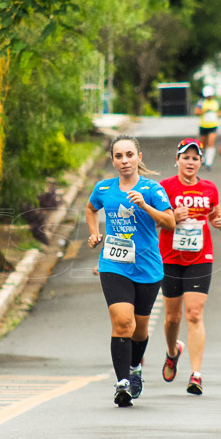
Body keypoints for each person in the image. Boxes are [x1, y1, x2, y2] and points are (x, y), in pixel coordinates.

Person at [86, 135, 175, 407]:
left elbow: (170, 222)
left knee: (139, 330)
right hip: (114, 263)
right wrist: (94, 233)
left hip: (147, 267)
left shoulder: (152, 190)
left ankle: (135, 368)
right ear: (112, 160)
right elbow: (91, 209)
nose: (124, 161)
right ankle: (122, 382)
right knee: (122, 322)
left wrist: (145, 205)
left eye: (129, 155)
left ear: (139, 157)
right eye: (118, 156)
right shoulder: (103, 189)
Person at [158, 139, 221, 396]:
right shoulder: (164, 187)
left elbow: (214, 215)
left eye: (195, 158)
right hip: (170, 257)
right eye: (185, 158)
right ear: (177, 160)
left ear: (201, 162)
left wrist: (220, 221)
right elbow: (151, 221)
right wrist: (172, 218)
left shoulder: (209, 188)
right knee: (172, 318)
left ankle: (196, 374)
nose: (190, 162)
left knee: (195, 314)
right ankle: (171, 351)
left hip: (200, 256)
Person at [194, 85, 221, 169]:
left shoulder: (216, 103)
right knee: (203, 144)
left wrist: (215, 114)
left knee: (211, 143)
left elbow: (219, 112)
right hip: (203, 126)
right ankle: (203, 158)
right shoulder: (201, 103)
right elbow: (196, 112)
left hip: (213, 126)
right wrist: (205, 111)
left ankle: (209, 162)